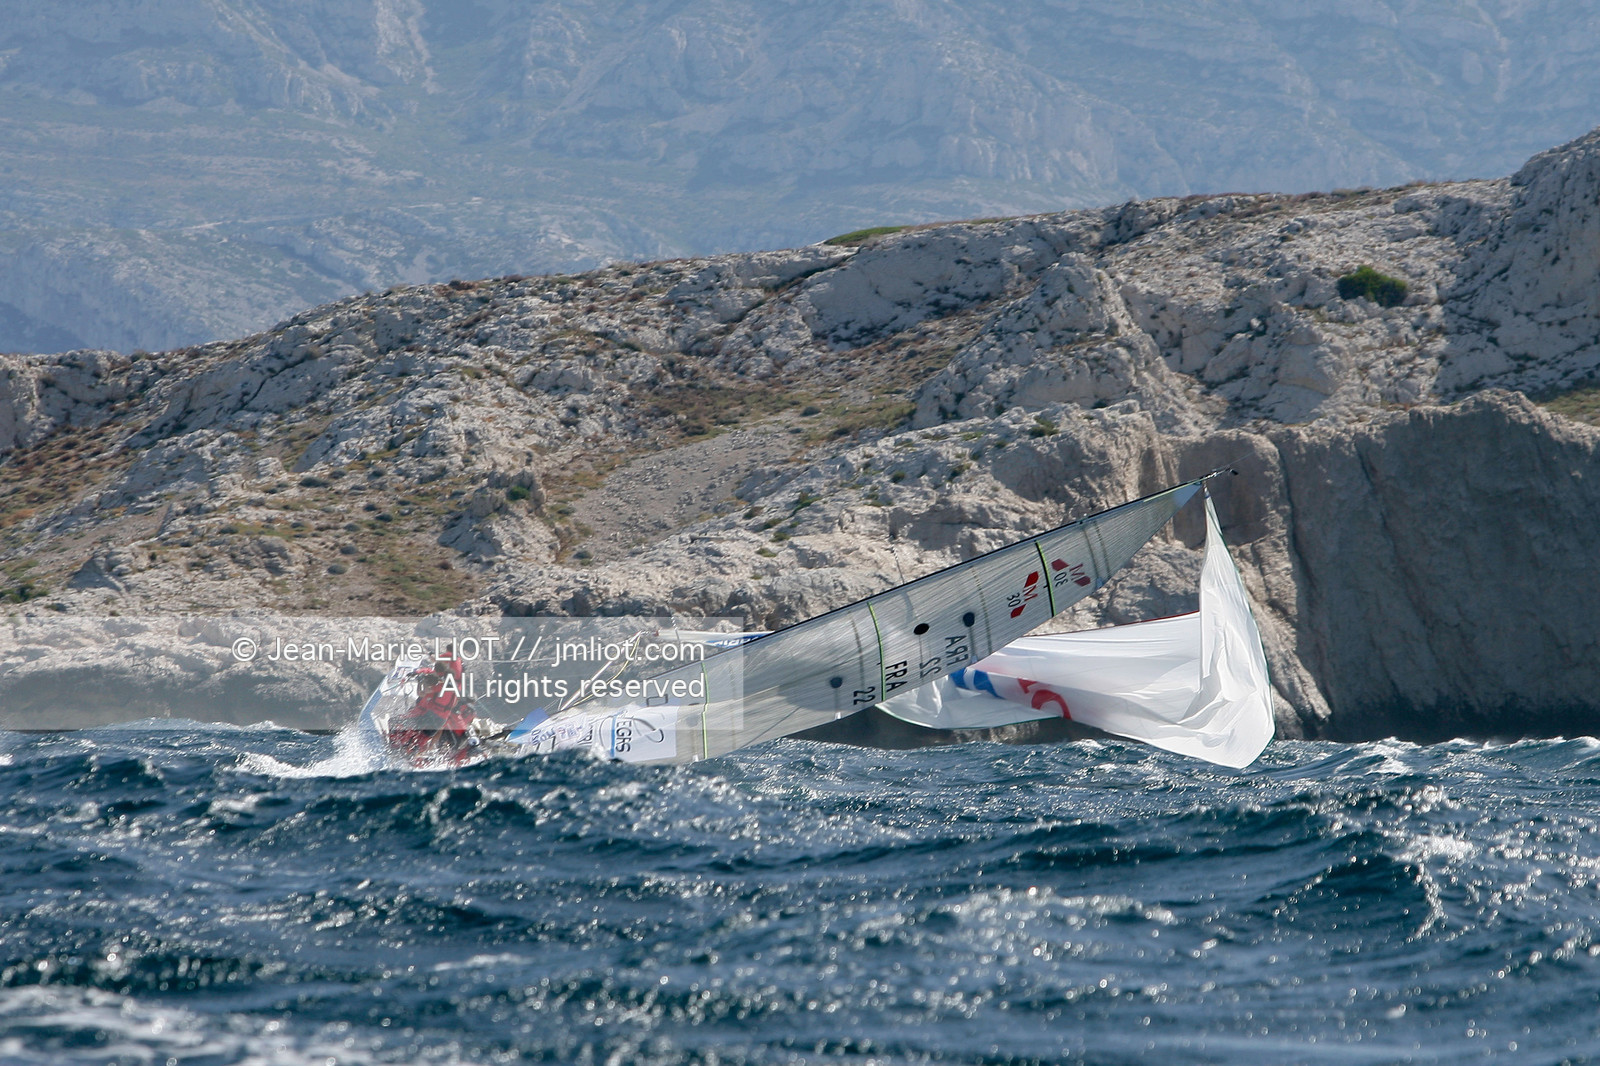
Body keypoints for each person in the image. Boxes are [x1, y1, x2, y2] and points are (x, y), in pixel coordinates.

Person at [390, 644, 477, 761]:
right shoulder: (453, 686)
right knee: (421, 740)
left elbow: (423, 691)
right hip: (441, 720)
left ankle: (395, 747)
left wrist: (420, 678)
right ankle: (410, 755)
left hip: (431, 716)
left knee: (399, 724)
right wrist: (420, 672)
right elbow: (434, 671)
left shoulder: (441, 686)